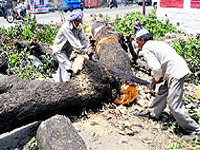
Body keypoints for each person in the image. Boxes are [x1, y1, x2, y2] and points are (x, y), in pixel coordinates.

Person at [134, 29, 200, 140]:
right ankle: (153, 112)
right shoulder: (158, 43)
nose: (137, 44)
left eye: (137, 41)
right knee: (164, 91)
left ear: (142, 40)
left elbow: (156, 67)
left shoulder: (146, 48)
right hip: (175, 69)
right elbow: (163, 62)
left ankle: (195, 130)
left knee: (173, 104)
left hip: (175, 72)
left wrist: (155, 79)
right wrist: (159, 78)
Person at [52, 10, 93, 82]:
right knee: (68, 66)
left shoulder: (79, 27)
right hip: (59, 50)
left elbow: (84, 39)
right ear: (73, 19)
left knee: (62, 67)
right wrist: (85, 51)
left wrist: (89, 48)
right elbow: (74, 42)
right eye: (76, 21)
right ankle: (66, 84)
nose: (78, 23)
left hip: (67, 50)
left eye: (79, 21)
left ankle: (58, 83)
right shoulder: (66, 27)